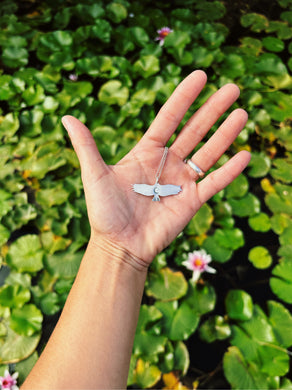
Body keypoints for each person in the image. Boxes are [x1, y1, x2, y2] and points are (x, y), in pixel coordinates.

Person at [21, 70, 250, 390]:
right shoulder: (153, 192)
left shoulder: (158, 192)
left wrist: (117, 249)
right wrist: (117, 245)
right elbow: (153, 194)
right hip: (151, 197)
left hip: (154, 197)